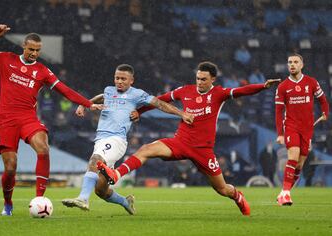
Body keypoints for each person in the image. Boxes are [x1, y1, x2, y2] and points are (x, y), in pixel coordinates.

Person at [97, 61, 281, 216]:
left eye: (203, 79)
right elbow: (159, 100)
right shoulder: (185, 91)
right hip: (180, 142)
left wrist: (262, 86)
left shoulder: (218, 94)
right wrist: (139, 110)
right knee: (146, 149)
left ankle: (237, 196)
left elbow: (241, 91)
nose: (199, 82)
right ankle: (116, 174)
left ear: (212, 80)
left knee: (222, 189)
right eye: (198, 78)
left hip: (203, 150)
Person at [0, 24, 103, 216]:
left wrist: (88, 104)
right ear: (24, 47)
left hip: (28, 118)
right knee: (10, 167)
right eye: (31, 49)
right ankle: (8, 203)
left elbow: (64, 90)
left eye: (37, 50)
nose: (34, 53)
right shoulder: (5, 59)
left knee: (43, 148)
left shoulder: (43, 71)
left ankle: (40, 198)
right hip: (5, 119)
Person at [61, 64, 193, 214]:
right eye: (117, 78)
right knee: (101, 190)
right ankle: (126, 201)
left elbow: (159, 104)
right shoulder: (109, 90)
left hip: (116, 140)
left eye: (123, 79)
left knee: (95, 161)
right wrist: (85, 104)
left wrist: (182, 114)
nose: (119, 81)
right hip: (101, 140)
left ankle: (83, 198)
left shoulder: (137, 94)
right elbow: (102, 96)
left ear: (131, 80)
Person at [275, 53, 329, 206]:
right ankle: (286, 194)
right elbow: (278, 112)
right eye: (290, 62)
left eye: (295, 62)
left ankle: (284, 193)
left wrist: (325, 113)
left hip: (307, 128)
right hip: (291, 126)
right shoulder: (283, 87)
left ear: (302, 65)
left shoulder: (311, 82)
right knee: (293, 156)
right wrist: (280, 133)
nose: (292, 64)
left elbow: (323, 100)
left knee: (299, 165)